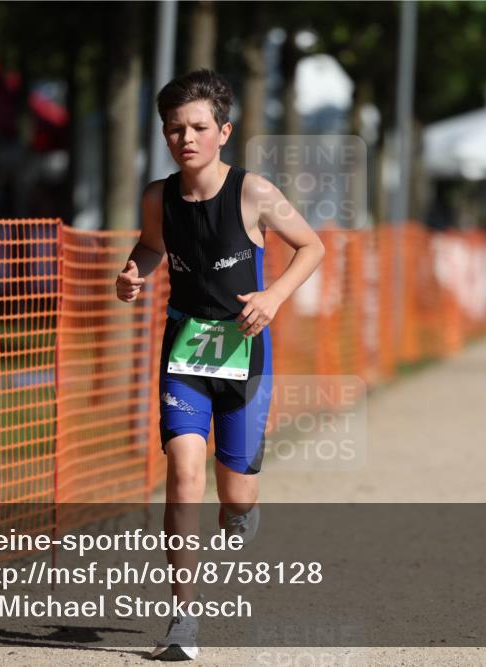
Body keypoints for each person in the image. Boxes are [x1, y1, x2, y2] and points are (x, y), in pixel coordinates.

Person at [115, 69, 324, 661]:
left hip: (243, 352)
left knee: (237, 496)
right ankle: (183, 621)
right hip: (184, 347)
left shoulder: (254, 192)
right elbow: (152, 245)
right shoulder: (157, 197)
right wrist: (136, 272)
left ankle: (241, 509)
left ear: (223, 132)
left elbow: (312, 246)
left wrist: (273, 297)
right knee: (183, 474)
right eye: (175, 129)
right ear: (164, 134)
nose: (186, 138)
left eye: (199, 127)